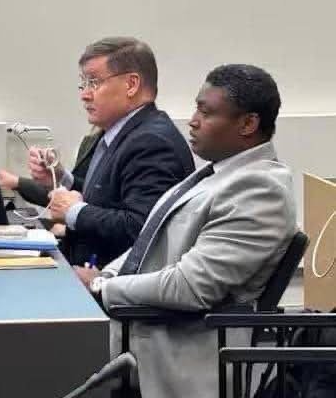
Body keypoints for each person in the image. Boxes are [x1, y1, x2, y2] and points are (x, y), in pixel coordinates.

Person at [76, 64, 298, 398]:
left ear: (248, 124)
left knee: (28, 356)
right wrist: (104, 274)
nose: (193, 121)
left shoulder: (260, 189)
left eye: (206, 113)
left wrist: (101, 286)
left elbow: (191, 287)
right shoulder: (219, 173)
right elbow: (149, 244)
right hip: (142, 335)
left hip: (175, 354)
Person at [29, 37, 194, 267]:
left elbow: (141, 227)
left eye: (94, 82)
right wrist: (60, 178)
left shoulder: (152, 142)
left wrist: (74, 211)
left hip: (107, 280)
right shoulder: (121, 130)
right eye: (84, 83)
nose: (85, 94)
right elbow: (107, 197)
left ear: (131, 84)